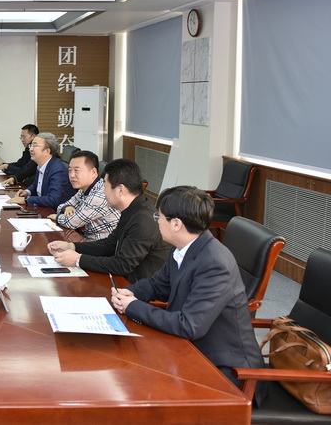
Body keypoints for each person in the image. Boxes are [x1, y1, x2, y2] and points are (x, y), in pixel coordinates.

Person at [111, 185, 266, 393]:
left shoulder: (214, 263)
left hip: (227, 371)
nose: (156, 222)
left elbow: (190, 326)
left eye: (159, 217)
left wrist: (132, 307)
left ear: (176, 224)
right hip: (191, 349)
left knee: (140, 384)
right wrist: (131, 292)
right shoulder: (185, 247)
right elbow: (158, 284)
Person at [47, 158, 169, 283]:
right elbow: (109, 245)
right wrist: (72, 246)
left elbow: (122, 265)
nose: (103, 192)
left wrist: (78, 259)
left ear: (120, 190)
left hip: (140, 287)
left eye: (105, 186)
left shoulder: (143, 219)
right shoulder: (133, 209)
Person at [48, 150, 120, 241]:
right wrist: (67, 207)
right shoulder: (84, 189)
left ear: (93, 172)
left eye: (76, 171)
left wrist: (57, 217)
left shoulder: (101, 194)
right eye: (70, 170)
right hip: (86, 239)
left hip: (101, 244)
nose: (72, 175)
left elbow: (72, 222)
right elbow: (60, 207)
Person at [7, 132, 75, 208]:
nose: (30, 149)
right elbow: (36, 185)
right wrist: (27, 192)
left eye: (35, 146)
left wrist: (26, 200)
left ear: (47, 151)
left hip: (55, 211)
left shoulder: (58, 170)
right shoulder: (42, 165)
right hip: (43, 208)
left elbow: (53, 200)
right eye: (31, 145)